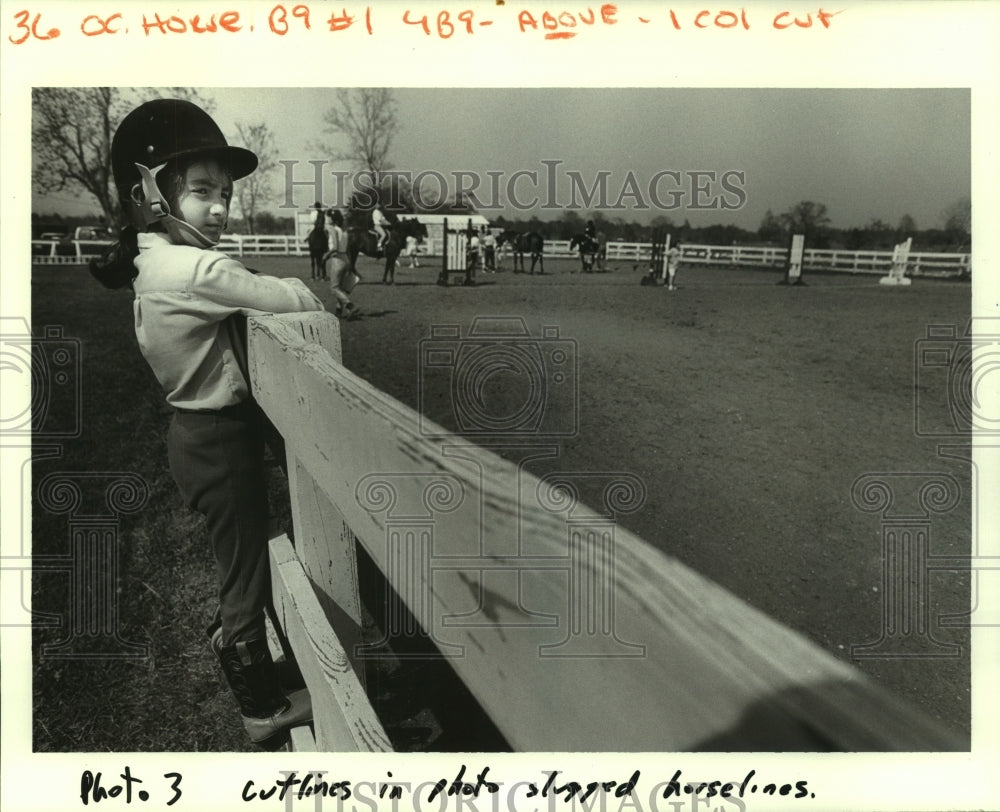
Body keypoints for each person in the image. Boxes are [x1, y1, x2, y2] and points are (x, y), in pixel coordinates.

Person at [90, 98, 322, 746]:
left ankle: (241, 647)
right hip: (217, 439)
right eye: (200, 191)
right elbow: (293, 296)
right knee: (244, 570)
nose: (219, 208)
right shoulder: (191, 268)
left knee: (238, 561)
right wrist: (300, 290)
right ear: (151, 193)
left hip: (194, 435)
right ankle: (261, 707)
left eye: (223, 193)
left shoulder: (152, 259)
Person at [323, 209, 359, 318]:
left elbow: (335, 247)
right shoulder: (344, 231)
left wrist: (326, 255)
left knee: (334, 288)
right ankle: (338, 311)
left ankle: (350, 306)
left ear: (331, 219)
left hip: (337, 259)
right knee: (340, 288)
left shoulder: (332, 229)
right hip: (346, 258)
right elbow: (346, 248)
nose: (326, 219)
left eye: (327, 217)